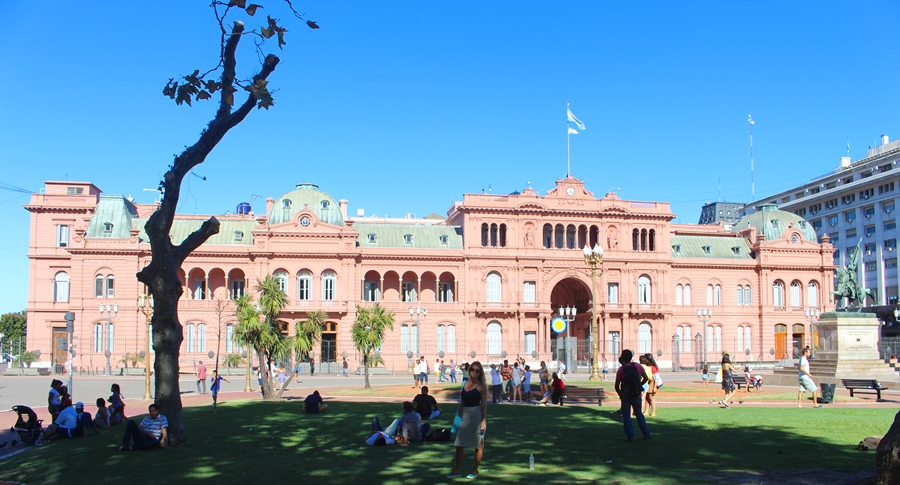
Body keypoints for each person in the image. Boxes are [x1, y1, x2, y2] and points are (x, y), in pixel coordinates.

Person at [448, 361, 487, 479]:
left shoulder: (482, 386)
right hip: (465, 414)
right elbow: (463, 401)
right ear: (468, 370)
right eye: (472, 370)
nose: (474, 372)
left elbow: (484, 404)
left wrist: (483, 420)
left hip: (476, 415)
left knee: (478, 445)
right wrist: (459, 416)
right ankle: (457, 470)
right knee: (458, 444)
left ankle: (474, 471)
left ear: (480, 373)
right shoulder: (465, 383)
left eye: (477, 370)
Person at [615, 349, 650, 441]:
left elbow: (617, 385)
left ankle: (630, 436)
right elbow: (646, 378)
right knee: (639, 414)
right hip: (637, 394)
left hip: (626, 395)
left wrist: (620, 394)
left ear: (622, 358)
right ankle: (646, 433)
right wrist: (639, 385)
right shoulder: (638, 366)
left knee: (626, 415)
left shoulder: (621, 369)